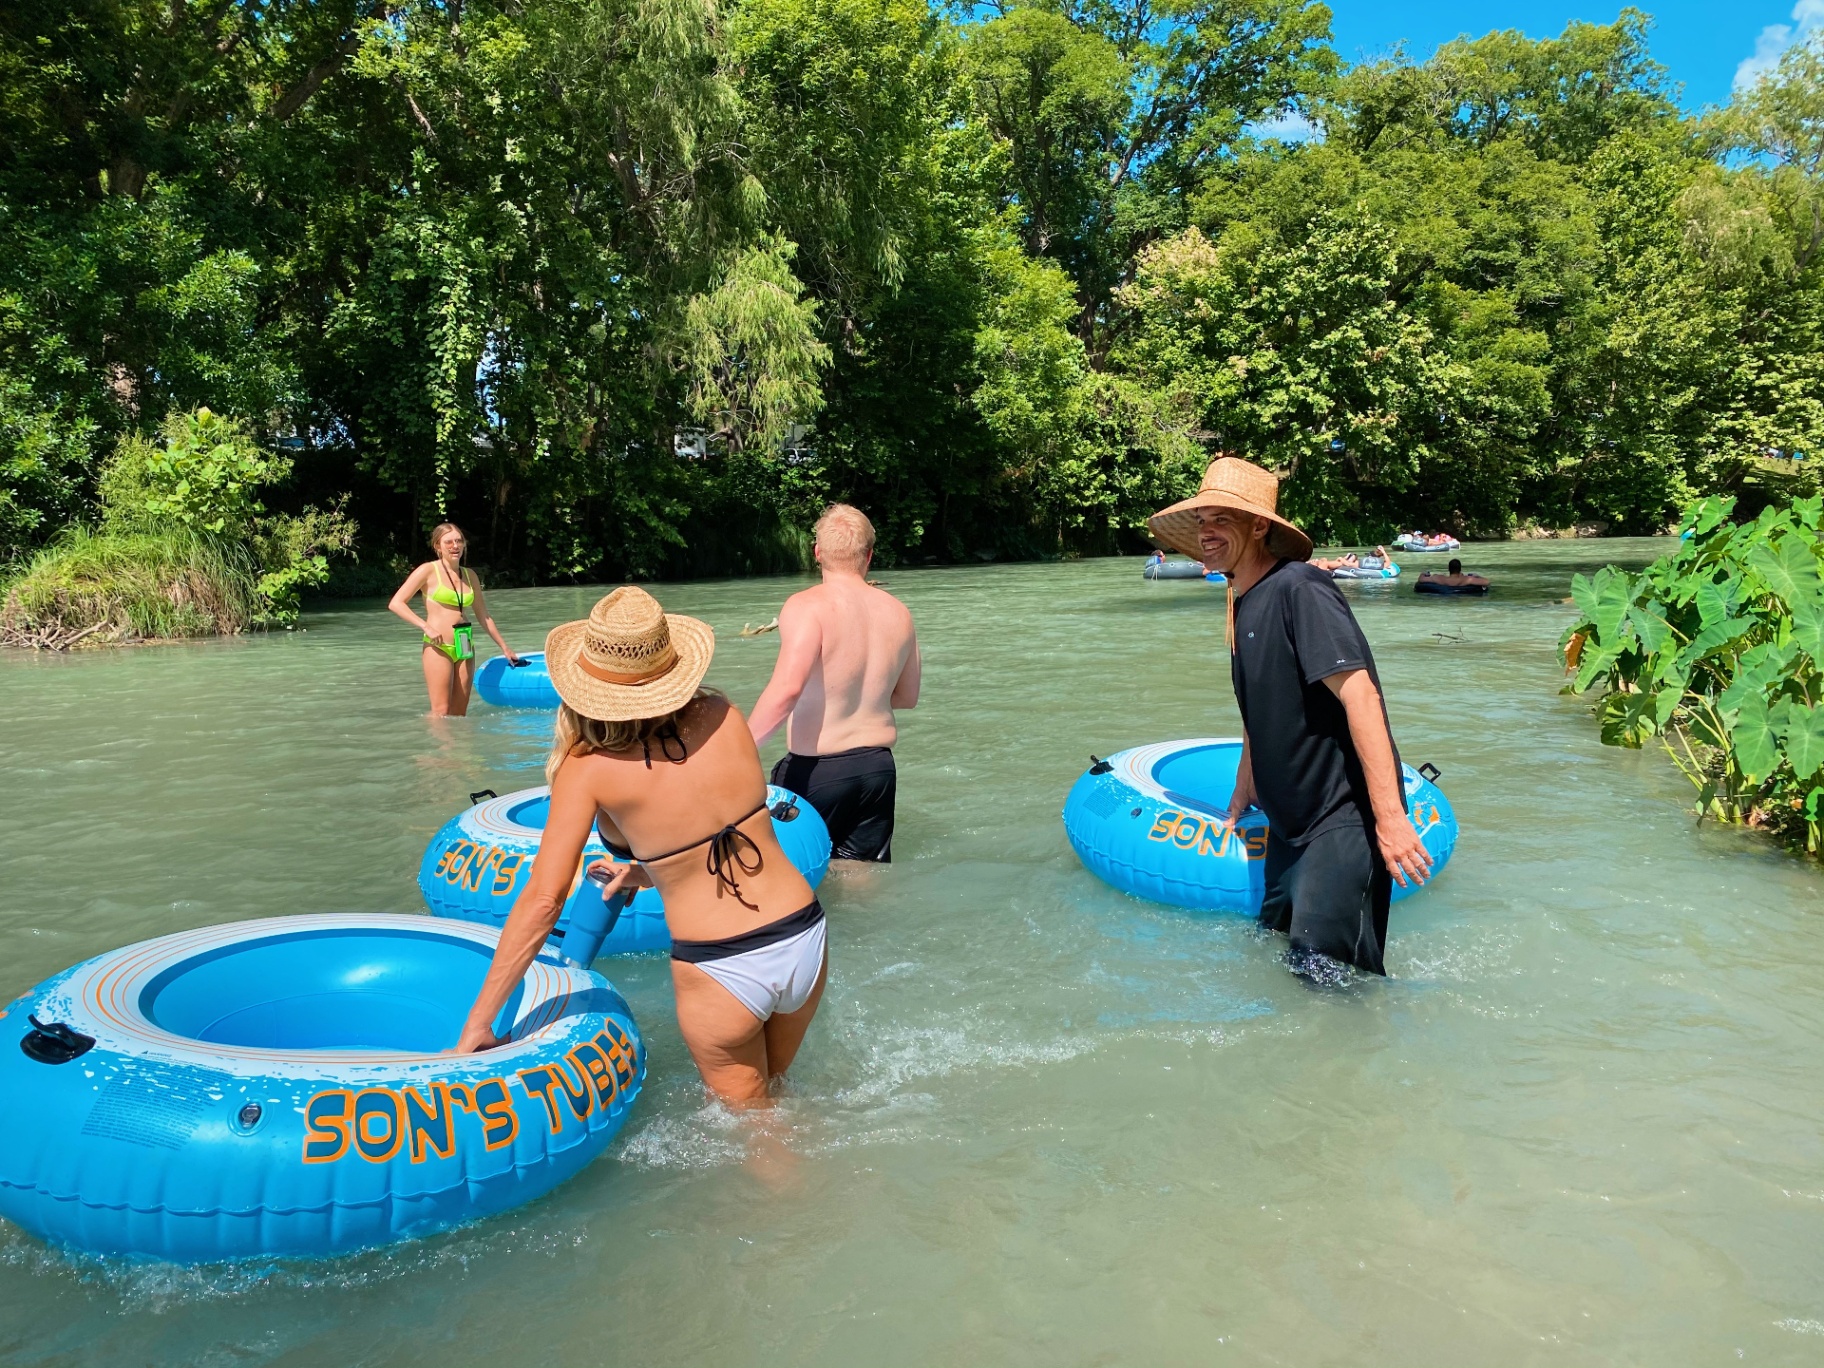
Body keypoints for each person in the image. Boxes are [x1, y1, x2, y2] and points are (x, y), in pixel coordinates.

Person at [453, 587, 824, 1106]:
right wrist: (647, 874)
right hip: (804, 935)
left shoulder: (586, 769)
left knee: (757, 1136)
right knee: (778, 1099)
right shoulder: (723, 713)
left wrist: (480, 1022)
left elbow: (544, 901)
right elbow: (724, 832)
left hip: (723, 965)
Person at [1148, 456, 1432, 978]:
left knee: (1329, 995)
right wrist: (1245, 780)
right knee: (1277, 967)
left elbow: (1361, 696)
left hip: (1340, 824)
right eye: (1202, 520)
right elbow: (1260, 704)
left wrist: (1390, 820)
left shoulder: (1300, 589)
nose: (1207, 532)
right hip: (1288, 829)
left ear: (1259, 525)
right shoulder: (1241, 599)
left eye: (1222, 519)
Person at [747, 505, 920, 862]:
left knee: (792, 875)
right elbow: (907, 696)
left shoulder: (805, 606)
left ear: (817, 553)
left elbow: (787, 690)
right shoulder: (898, 612)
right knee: (861, 881)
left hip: (817, 771)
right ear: (869, 556)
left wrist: (742, 748)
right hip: (878, 769)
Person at [388, 523, 520, 716]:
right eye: (448, 542)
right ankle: (436, 745)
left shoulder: (470, 575)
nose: (455, 546)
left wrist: (504, 646)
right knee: (440, 711)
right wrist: (426, 627)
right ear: (437, 546)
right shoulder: (428, 570)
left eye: (459, 541)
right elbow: (396, 603)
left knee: (459, 713)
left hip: (465, 643)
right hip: (438, 645)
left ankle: (460, 746)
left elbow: (484, 615)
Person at [1417, 558, 1489, 589]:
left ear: (1449, 569)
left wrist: (1424, 573)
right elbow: (1486, 582)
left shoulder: (1440, 578)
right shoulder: (1466, 579)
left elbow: (1421, 579)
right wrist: (1476, 576)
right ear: (1460, 569)